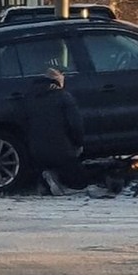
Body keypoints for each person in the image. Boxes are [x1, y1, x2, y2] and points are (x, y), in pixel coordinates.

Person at [27, 68, 85, 196]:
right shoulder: (63, 97)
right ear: (58, 81)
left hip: (35, 150)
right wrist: (78, 143)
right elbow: (75, 124)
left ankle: (45, 180)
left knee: (48, 162)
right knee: (78, 180)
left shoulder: (31, 97)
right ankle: (57, 181)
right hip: (60, 149)